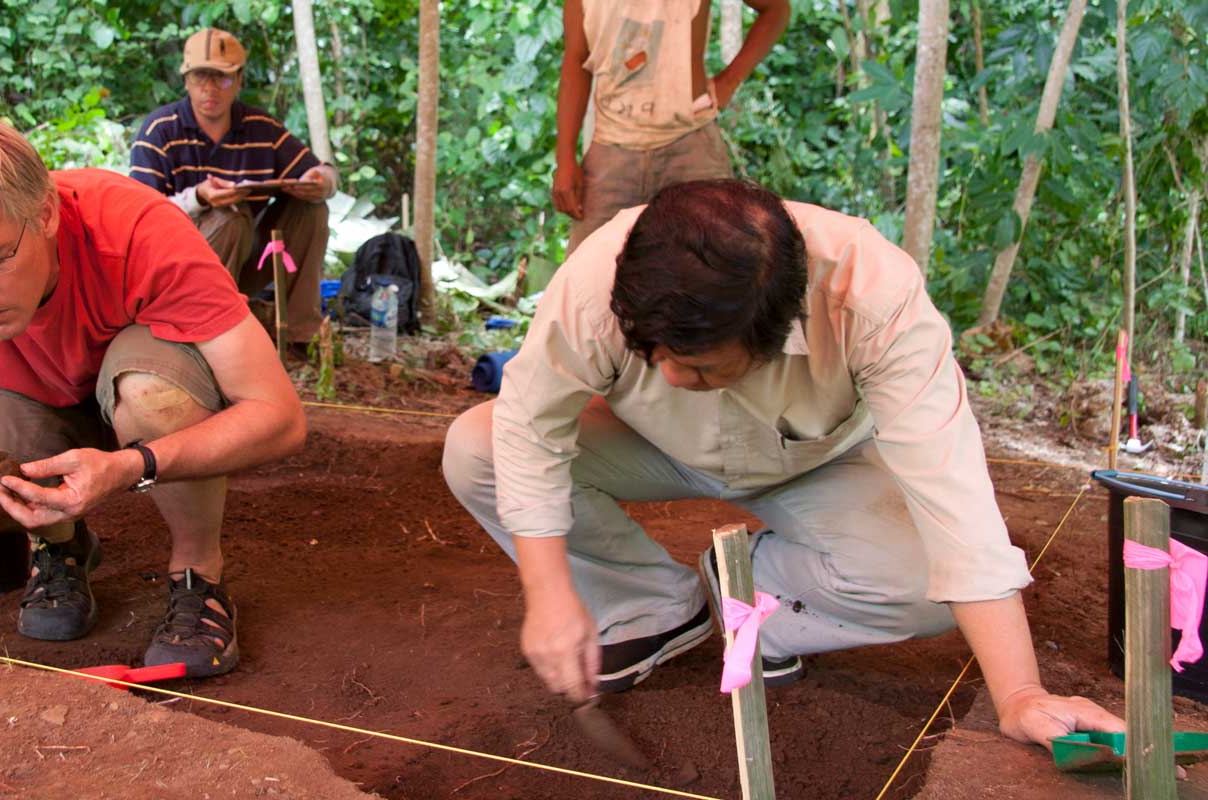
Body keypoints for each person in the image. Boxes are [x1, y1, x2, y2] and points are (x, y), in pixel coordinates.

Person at [442, 180, 1124, 751]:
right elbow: (531, 428)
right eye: (655, 352)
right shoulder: (600, 279)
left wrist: (1021, 693)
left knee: (924, 585)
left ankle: (761, 601)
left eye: (701, 363)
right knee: (481, 448)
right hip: (650, 446)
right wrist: (552, 591)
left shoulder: (873, 298)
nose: (672, 376)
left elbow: (956, 496)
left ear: (777, 330)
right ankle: (647, 608)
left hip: (820, 459)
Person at [0, 117, 306, 678]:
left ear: (46, 215)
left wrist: (132, 467)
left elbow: (279, 416)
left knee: (156, 396)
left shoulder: (137, 230)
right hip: (39, 416)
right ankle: (59, 543)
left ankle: (198, 573)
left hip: (137, 406)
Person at [129, 27, 337, 349]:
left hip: (245, 263)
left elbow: (318, 170)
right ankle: (207, 335)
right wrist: (198, 199)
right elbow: (137, 218)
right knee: (230, 216)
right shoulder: (159, 130)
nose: (210, 89)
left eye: (222, 78)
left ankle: (299, 335)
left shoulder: (260, 127)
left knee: (311, 210)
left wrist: (321, 183)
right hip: (176, 273)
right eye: (201, 78)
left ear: (239, 81)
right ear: (186, 81)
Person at [553, 0, 790, 253]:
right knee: (589, 267)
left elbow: (776, 9)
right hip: (612, 147)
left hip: (690, 145)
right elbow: (576, 60)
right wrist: (565, 158)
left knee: (715, 268)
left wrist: (729, 81)